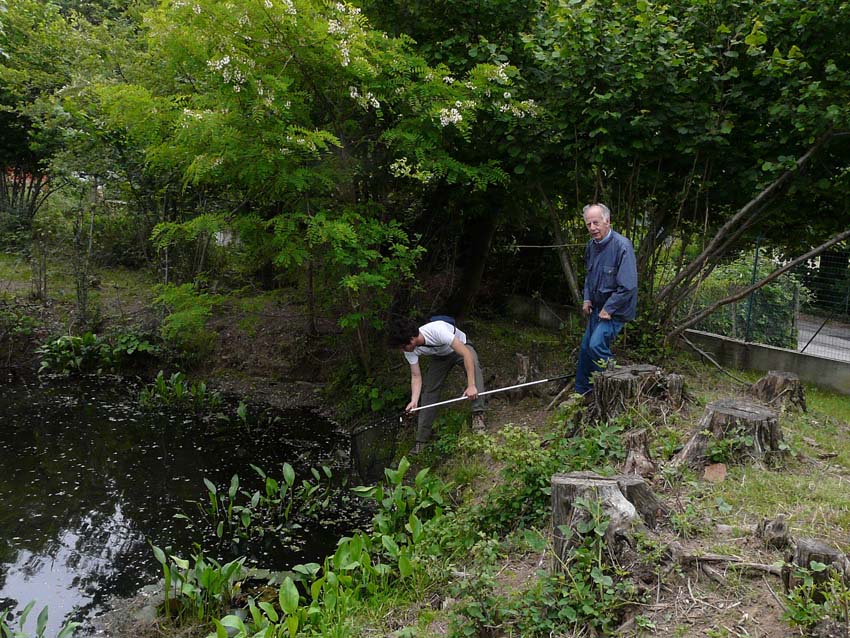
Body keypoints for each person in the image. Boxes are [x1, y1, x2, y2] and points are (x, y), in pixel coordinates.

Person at [388, 317, 486, 452]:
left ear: (411, 339)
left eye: (403, 346)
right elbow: (416, 376)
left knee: (474, 369)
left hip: (462, 347)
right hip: (440, 357)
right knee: (429, 390)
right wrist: (414, 401)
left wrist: (471, 385)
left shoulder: (438, 331)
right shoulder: (409, 350)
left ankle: (478, 415)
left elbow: (466, 354)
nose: (402, 350)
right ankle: (421, 440)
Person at [575, 203, 638, 398]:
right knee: (586, 349)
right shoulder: (591, 246)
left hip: (615, 311)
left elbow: (628, 286)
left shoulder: (622, 246)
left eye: (596, 222)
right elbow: (589, 276)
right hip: (597, 309)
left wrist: (609, 309)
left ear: (607, 221)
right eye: (588, 224)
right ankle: (583, 393)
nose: (592, 228)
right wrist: (586, 299)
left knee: (596, 345)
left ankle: (615, 390)